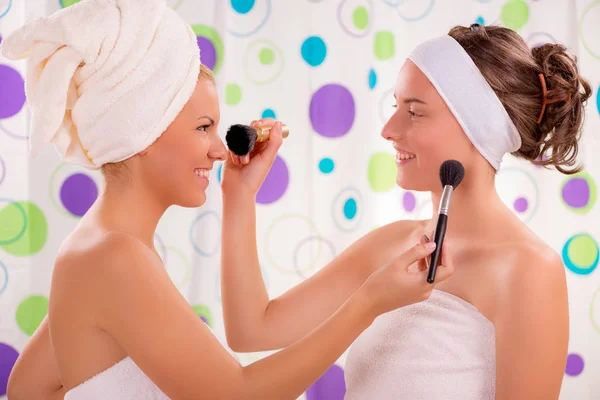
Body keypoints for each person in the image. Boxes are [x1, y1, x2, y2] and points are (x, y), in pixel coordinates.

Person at [1, 0, 455, 399]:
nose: (220, 149)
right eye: (203, 127)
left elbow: (29, 388)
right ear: (142, 131)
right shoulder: (117, 258)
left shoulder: (90, 248)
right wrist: (369, 301)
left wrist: (239, 197)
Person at [220, 24, 592, 399]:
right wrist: (239, 195)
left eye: (414, 113)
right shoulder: (393, 244)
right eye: (395, 107)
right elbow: (252, 330)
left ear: (479, 127)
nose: (388, 129)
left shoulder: (528, 268)